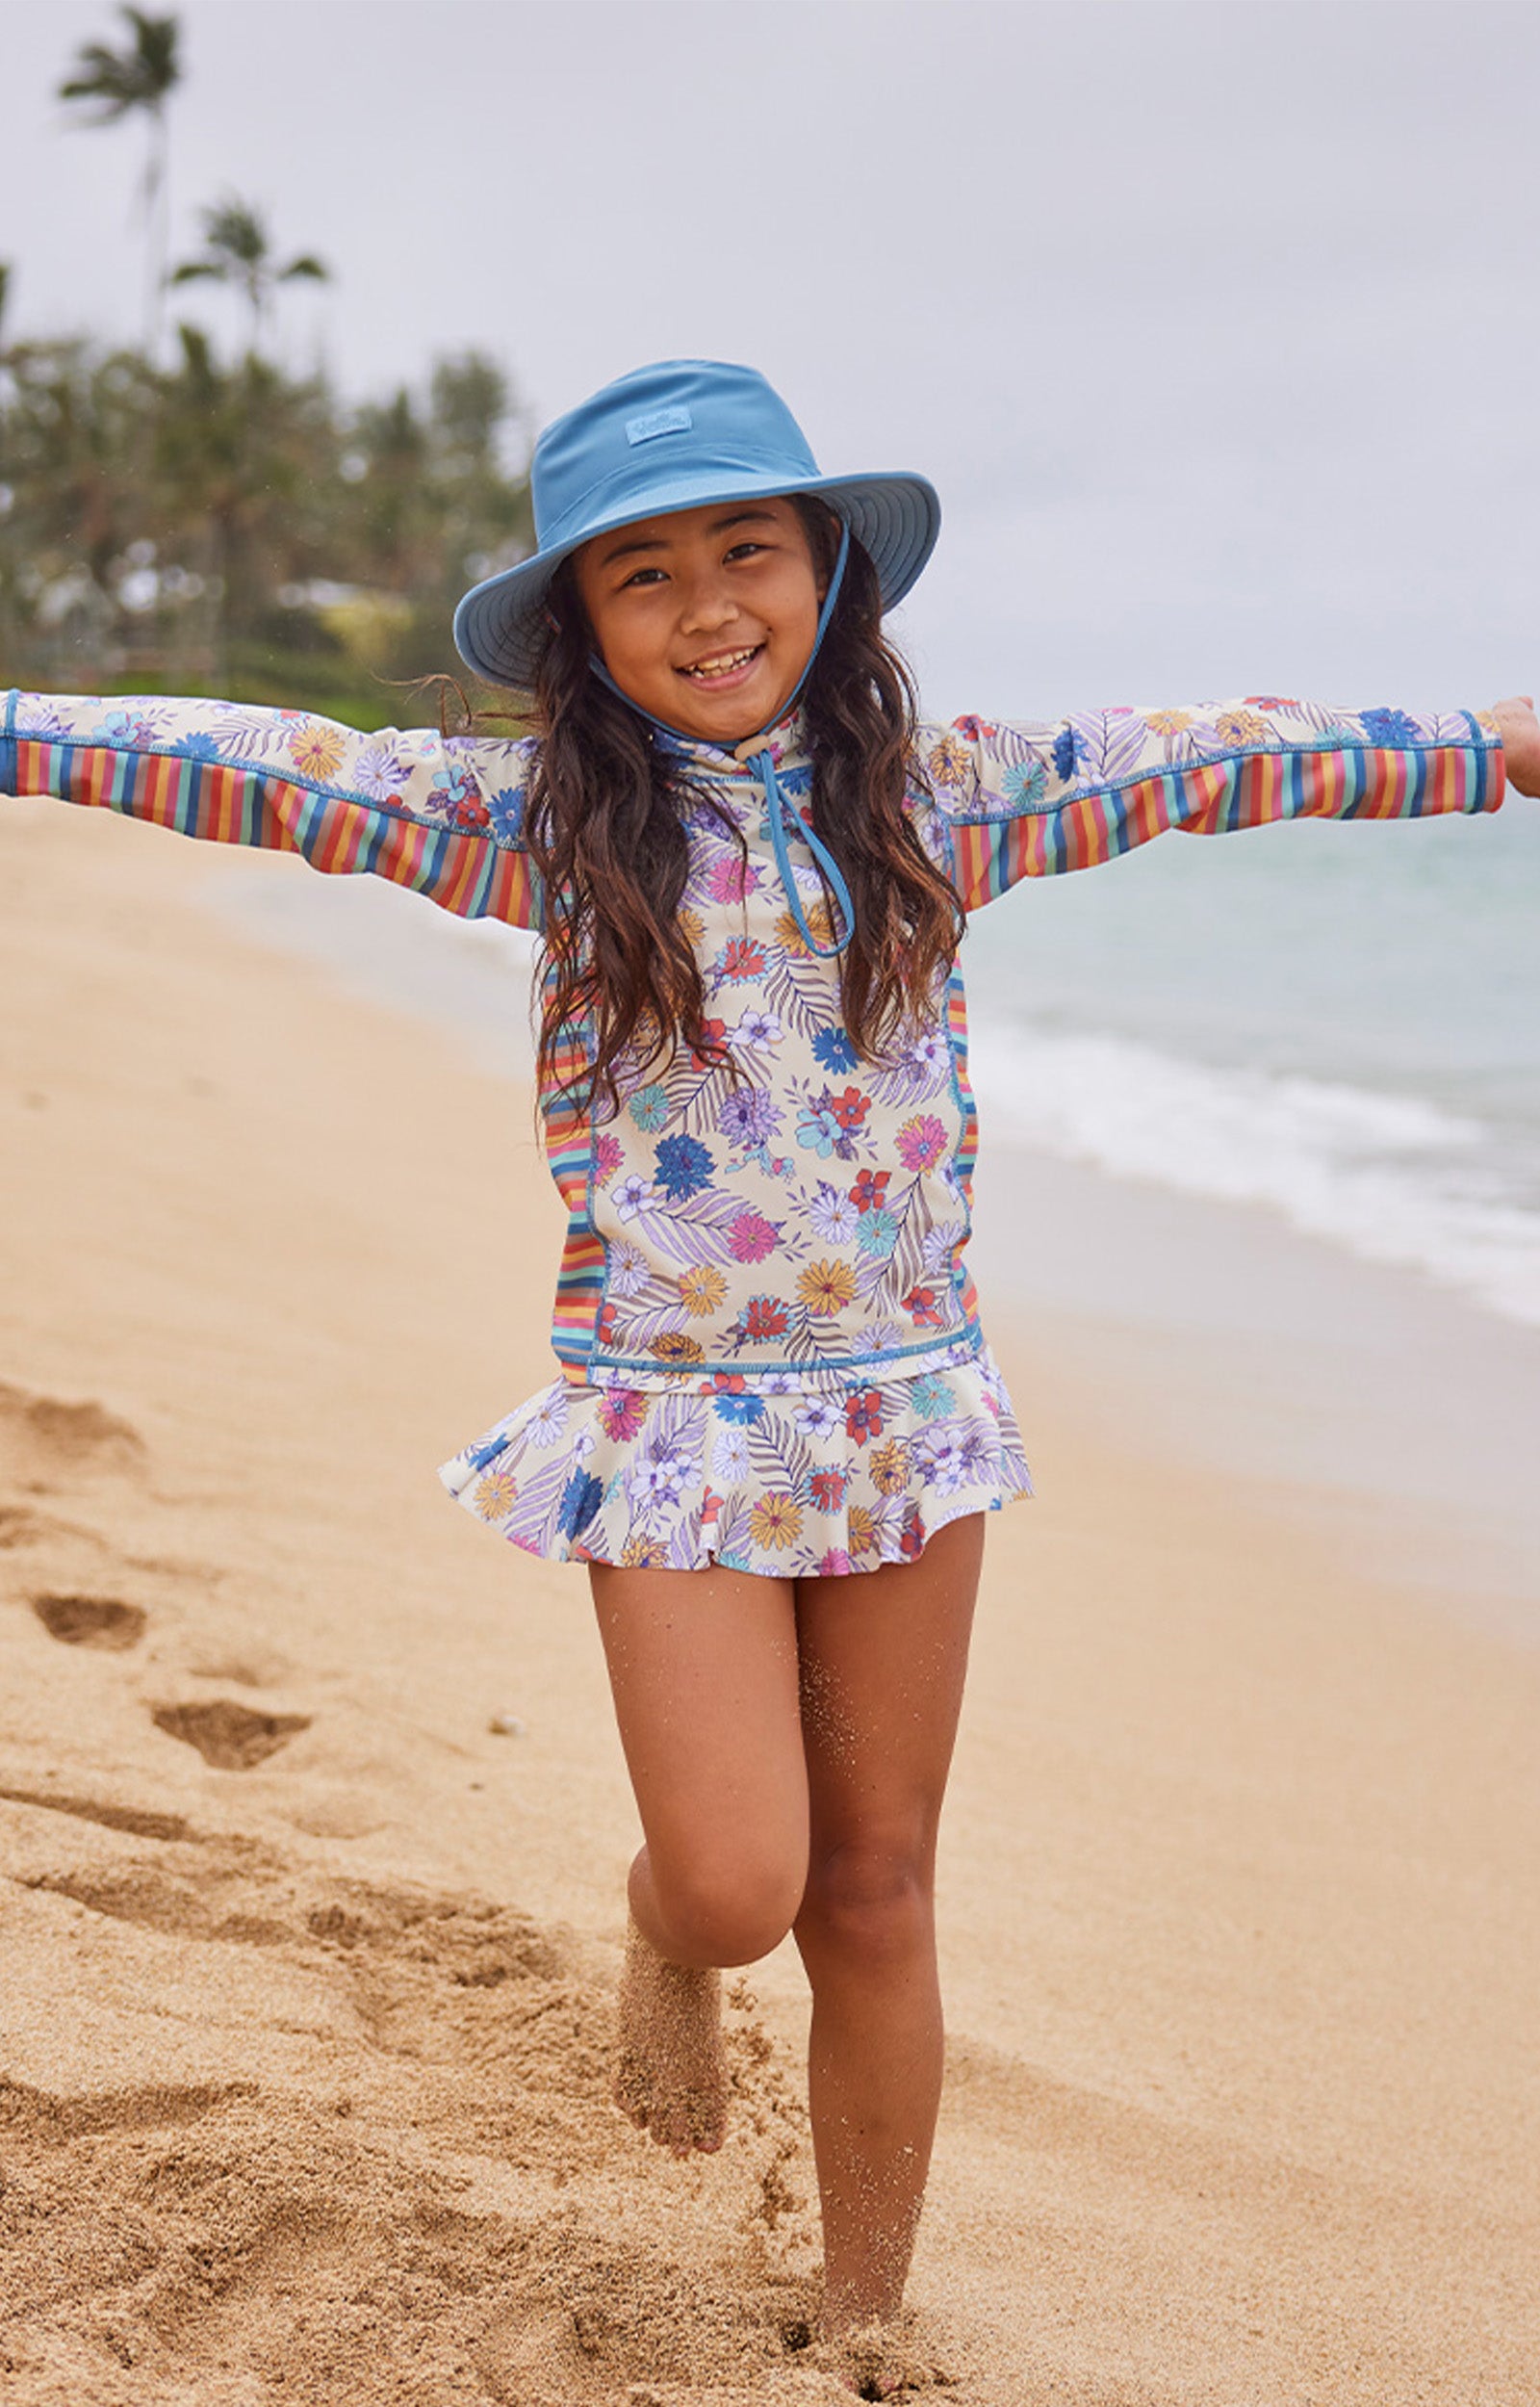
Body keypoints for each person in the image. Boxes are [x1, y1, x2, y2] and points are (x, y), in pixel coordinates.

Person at [5, 357, 1537, 2349]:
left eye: (749, 549)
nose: (710, 604)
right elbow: (251, 757)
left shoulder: (941, 798)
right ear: (579, 628)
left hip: (905, 1415)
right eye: (644, 574)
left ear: (829, 568)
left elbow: (1214, 750)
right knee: (739, 1880)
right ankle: (662, 1939)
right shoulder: (533, 835)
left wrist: (1485, 746)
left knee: (875, 1883)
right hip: (668, 1430)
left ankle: (864, 2313)